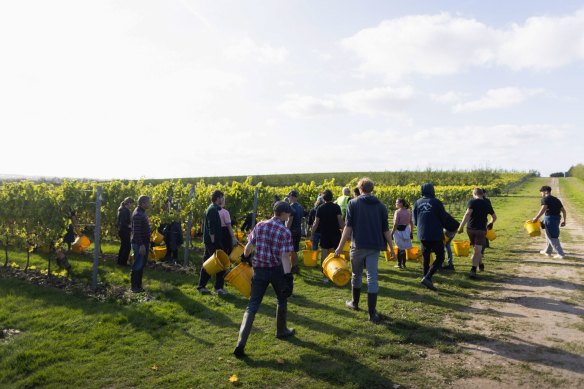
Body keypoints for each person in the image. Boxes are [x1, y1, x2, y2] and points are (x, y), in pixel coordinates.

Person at [233, 201, 296, 358]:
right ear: (284, 214)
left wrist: (245, 256)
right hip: (276, 270)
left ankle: (240, 343)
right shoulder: (284, 232)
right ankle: (281, 330)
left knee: (252, 305)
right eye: (288, 213)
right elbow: (284, 258)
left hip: (259, 270)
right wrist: (288, 277)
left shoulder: (260, 225)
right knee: (282, 299)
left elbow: (249, 246)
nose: (289, 216)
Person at [335, 178, 395, 323]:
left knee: (356, 274)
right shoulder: (380, 205)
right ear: (372, 189)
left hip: (358, 246)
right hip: (374, 246)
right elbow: (385, 229)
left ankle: (354, 303)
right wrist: (392, 248)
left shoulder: (353, 203)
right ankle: (372, 313)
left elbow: (348, 228)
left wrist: (339, 247)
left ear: (360, 188)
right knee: (372, 277)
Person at [413, 183, 450, 291]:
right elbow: (443, 218)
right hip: (435, 234)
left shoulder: (417, 202)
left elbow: (415, 220)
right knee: (440, 257)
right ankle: (428, 277)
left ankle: (425, 278)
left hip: (423, 234)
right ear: (432, 190)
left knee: (426, 256)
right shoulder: (437, 202)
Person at [458, 188, 497, 279]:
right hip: (481, 230)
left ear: (474, 194)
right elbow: (494, 217)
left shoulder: (472, 202)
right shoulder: (487, 204)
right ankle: (473, 269)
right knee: (478, 249)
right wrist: (490, 223)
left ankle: (480, 265)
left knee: (476, 249)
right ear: (482, 194)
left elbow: (468, 214)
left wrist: (461, 226)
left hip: (470, 229)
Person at [197, 190, 228, 295]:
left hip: (210, 241)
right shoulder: (212, 210)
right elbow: (211, 227)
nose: (223, 199)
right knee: (220, 263)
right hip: (212, 242)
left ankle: (201, 286)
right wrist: (214, 242)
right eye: (222, 198)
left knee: (207, 263)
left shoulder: (214, 208)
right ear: (218, 198)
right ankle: (218, 288)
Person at [312, 190, 344, 282]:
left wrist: (311, 234)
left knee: (324, 254)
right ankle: (337, 272)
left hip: (324, 234)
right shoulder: (336, 207)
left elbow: (316, 223)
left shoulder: (320, 208)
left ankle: (325, 275)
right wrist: (345, 231)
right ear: (332, 197)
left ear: (323, 198)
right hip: (335, 233)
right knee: (337, 253)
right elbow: (340, 220)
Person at [532, 185, 566, 259]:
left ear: (545, 191)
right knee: (548, 235)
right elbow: (563, 210)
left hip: (550, 219)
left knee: (553, 237)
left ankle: (560, 254)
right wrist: (564, 221)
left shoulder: (545, 198)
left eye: (541, 192)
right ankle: (548, 251)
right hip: (556, 219)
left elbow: (543, 209)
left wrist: (536, 218)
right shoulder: (556, 199)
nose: (541, 194)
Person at [130, 195, 151, 293]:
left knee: (141, 264)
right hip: (140, 243)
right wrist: (141, 245)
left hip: (143, 242)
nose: (150, 204)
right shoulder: (138, 214)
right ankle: (134, 287)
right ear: (143, 203)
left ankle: (138, 285)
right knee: (138, 264)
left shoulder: (141, 212)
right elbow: (136, 232)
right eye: (148, 202)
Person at [391, 198, 414, 269]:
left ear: (401, 203)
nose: (396, 204)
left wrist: (392, 233)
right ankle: (403, 264)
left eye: (397, 203)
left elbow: (395, 224)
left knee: (400, 247)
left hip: (399, 231)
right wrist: (411, 232)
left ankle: (399, 264)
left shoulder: (398, 212)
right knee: (403, 248)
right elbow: (411, 223)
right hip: (406, 230)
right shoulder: (409, 211)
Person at [285, 190, 304, 274]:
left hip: (292, 230)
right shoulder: (300, 206)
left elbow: (290, 219)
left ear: (292, 197)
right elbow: (302, 219)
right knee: (294, 250)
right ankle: (294, 266)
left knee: (292, 250)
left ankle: (295, 267)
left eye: (289, 197)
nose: (288, 198)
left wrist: (286, 230)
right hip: (298, 230)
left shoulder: (291, 207)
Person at [117, 197, 134, 266]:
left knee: (123, 246)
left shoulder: (122, 209)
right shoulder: (125, 211)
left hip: (121, 230)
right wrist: (130, 226)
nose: (132, 205)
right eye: (131, 204)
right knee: (127, 247)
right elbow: (123, 222)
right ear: (128, 203)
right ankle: (123, 263)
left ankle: (120, 262)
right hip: (124, 231)